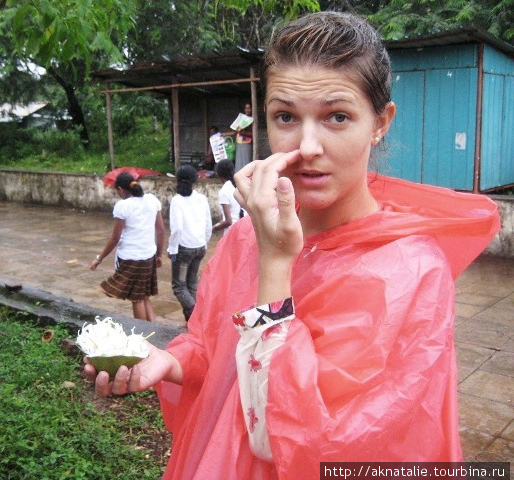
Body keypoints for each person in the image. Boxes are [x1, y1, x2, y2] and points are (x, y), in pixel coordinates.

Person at [84, 12, 500, 479]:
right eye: (286, 117)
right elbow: (214, 350)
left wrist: (276, 265)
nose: (307, 146)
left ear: (380, 123)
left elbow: (294, 438)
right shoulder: (247, 236)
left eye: (337, 117)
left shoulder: (411, 272)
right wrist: (170, 360)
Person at [90, 171, 164, 322]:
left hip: (131, 258)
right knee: (143, 295)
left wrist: (100, 258)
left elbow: (115, 238)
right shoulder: (152, 200)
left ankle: (143, 334)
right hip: (149, 255)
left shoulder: (123, 206)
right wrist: (159, 255)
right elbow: (161, 230)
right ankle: (154, 329)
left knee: (136, 299)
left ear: (121, 190)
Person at [166, 165, 212, 321]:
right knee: (191, 285)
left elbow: (177, 229)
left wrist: (172, 249)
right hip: (199, 247)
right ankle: (192, 323)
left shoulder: (177, 201)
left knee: (179, 286)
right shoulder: (201, 198)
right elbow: (208, 225)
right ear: (195, 180)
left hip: (184, 249)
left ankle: (197, 317)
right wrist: (204, 243)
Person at [212, 159, 243, 235]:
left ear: (218, 173)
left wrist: (215, 228)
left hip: (232, 232)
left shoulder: (224, 191)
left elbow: (228, 221)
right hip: (243, 229)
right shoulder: (239, 186)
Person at [231, 102, 253, 171]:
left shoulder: (252, 119)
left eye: (249, 108)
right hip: (239, 142)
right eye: (246, 108)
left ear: (252, 109)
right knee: (239, 160)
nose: (247, 110)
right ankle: (239, 175)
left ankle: (246, 175)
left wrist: (244, 132)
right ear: (244, 109)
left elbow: (253, 133)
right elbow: (235, 131)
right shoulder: (241, 119)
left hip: (247, 143)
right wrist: (224, 134)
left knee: (246, 160)